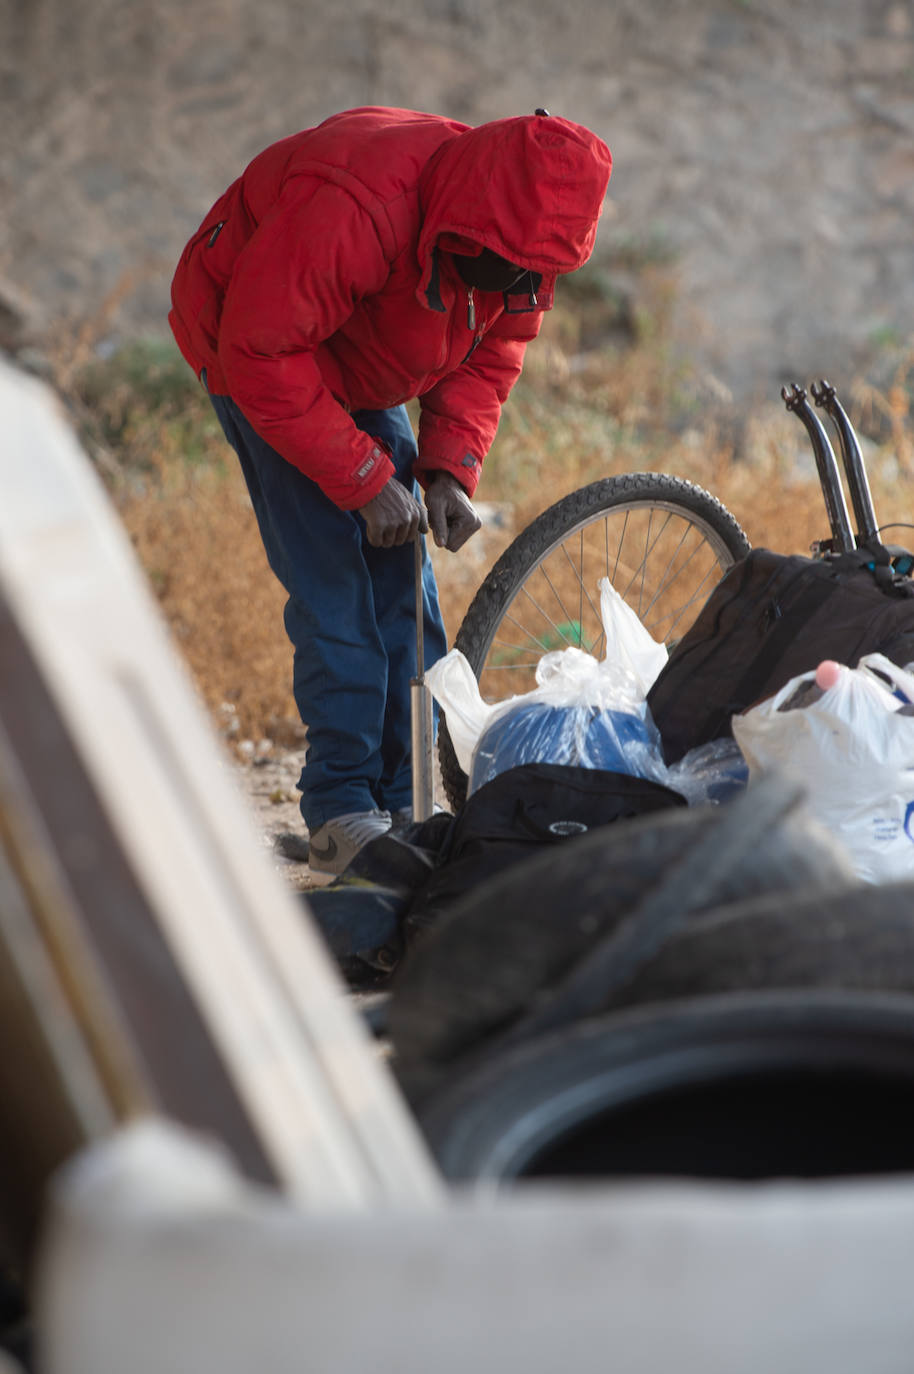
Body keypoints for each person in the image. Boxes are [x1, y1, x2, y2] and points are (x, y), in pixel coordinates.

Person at [169, 105, 612, 874]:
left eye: (538, 274)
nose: (526, 285)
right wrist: (367, 477)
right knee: (337, 590)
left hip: (358, 345)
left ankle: (404, 804)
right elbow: (262, 350)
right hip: (256, 348)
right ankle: (342, 811)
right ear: (466, 228)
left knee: (406, 583)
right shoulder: (356, 210)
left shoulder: (519, 251)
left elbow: (492, 349)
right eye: (511, 266)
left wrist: (446, 467)